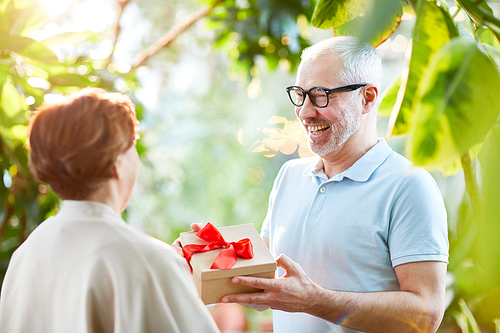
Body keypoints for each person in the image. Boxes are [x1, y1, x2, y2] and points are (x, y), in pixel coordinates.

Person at [220, 37, 449, 333]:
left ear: (367, 97)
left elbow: (425, 315)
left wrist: (314, 301)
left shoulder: (409, 186)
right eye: (300, 95)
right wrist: (206, 257)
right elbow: (267, 286)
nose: (304, 111)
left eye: (321, 95)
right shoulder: (290, 176)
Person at [0, 88, 220, 333]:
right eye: (133, 146)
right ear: (118, 163)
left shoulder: (26, 255)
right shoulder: (150, 262)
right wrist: (167, 274)